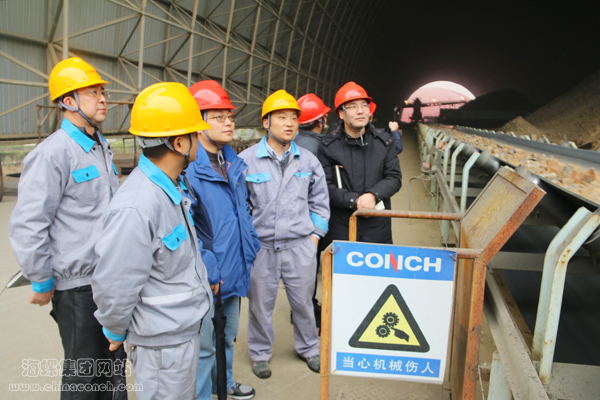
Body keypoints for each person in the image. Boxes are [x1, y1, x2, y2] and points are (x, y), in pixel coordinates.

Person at [91, 82, 213, 400]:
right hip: (162, 348)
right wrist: (114, 327)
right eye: (196, 133)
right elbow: (115, 281)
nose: (200, 140)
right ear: (179, 142)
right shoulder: (138, 205)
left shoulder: (168, 188)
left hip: (178, 334)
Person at [8, 57, 120, 399]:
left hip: (107, 278)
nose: (103, 99)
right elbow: (29, 222)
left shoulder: (100, 147)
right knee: (85, 375)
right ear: (68, 101)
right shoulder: (52, 154)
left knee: (112, 368)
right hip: (77, 289)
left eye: (102, 92)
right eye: (93, 93)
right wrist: (41, 278)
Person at [239, 90, 330, 379]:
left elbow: (320, 202)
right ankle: (260, 353)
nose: (289, 123)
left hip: (300, 246)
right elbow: (239, 207)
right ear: (266, 122)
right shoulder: (246, 161)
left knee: (303, 303)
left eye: (293, 118)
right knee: (259, 306)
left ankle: (309, 349)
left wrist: (314, 238)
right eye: (281, 117)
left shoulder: (308, 160)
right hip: (262, 248)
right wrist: (249, 243)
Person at [186, 80, 260, 400]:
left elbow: (242, 210)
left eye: (230, 116)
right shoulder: (190, 169)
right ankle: (204, 395)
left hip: (234, 267)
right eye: (218, 117)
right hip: (208, 275)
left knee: (227, 336)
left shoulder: (232, 162)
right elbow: (190, 228)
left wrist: (250, 245)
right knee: (204, 346)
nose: (229, 122)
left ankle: (224, 383)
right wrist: (209, 267)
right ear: (197, 123)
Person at [317, 81, 402, 247]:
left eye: (364, 105)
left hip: (377, 225)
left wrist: (372, 195)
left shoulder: (384, 141)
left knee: (376, 261)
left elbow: (394, 177)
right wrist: (354, 201)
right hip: (342, 225)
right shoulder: (328, 146)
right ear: (341, 113)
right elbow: (324, 186)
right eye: (353, 106)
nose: (360, 111)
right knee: (341, 262)